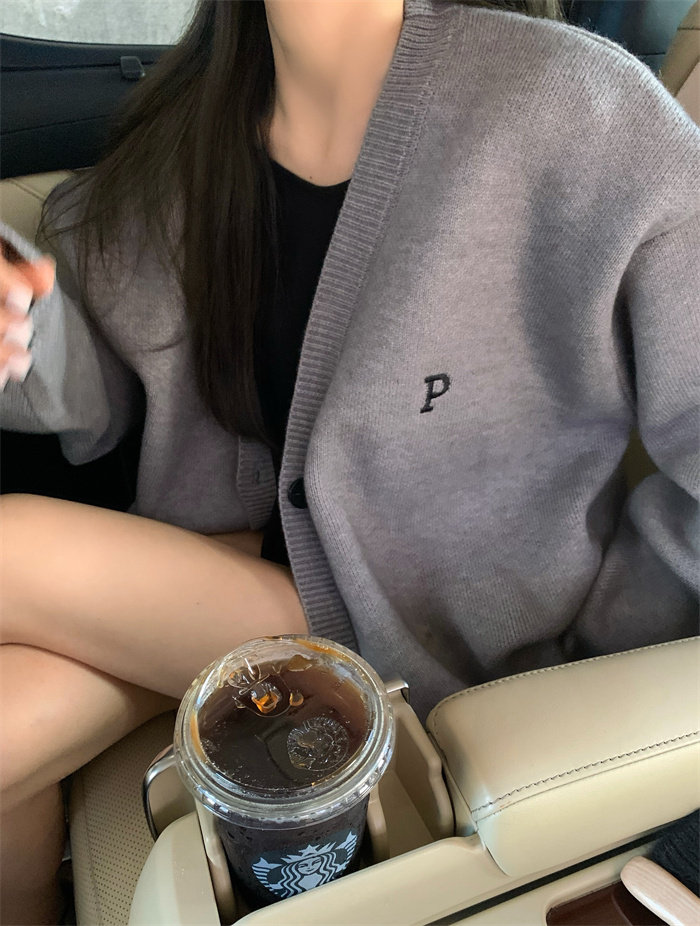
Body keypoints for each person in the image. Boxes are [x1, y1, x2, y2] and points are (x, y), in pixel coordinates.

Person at [1, 0, 698, 921]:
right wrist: (25, 329)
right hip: (216, 589)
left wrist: (602, 660)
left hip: (412, 642)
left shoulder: (579, 111)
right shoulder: (188, 132)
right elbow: (104, 404)